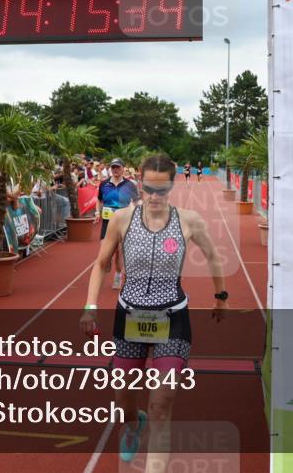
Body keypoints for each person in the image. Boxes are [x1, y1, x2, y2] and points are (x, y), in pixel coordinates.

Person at [80, 154, 227, 467]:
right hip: (129, 315)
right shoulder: (122, 219)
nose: (155, 197)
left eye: (162, 190)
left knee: (162, 404)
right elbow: (102, 264)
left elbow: (214, 257)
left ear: (172, 186)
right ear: (139, 186)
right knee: (123, 400)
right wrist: (90, 307)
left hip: (172, 317)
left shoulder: (188, 220)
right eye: (149, 189)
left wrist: (221, 296)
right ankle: (133, 425)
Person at [95, 159, 140, 290]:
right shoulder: (104, 184)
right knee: (104, 248)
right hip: (107, 221)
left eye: (118, 167)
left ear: (123, 169)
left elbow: (136, 201)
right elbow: (99, 199)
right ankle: (107, 259)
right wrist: (97, 211)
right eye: (113, 167)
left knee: (119, 251)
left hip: (123, 221)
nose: (115, 170)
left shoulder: (129, 185)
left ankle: (118, 274)